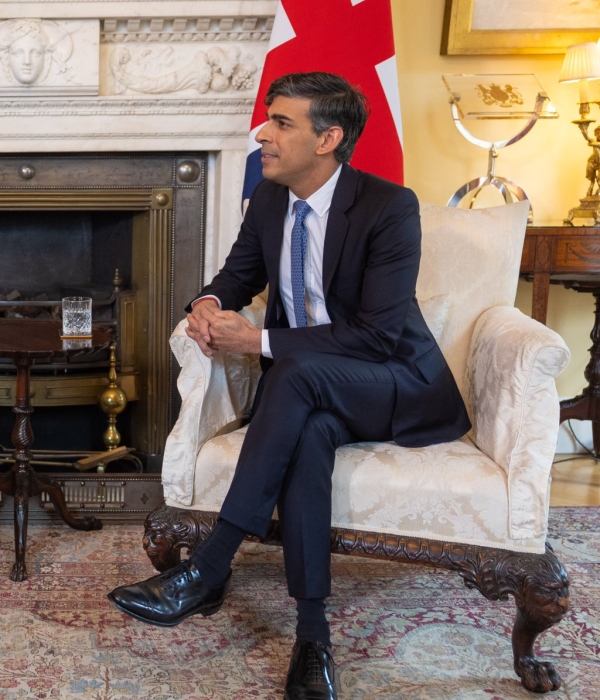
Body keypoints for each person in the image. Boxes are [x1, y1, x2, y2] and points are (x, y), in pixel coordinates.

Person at [107, 72, 470, 700]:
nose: (263, 134)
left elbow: (379, 336)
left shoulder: (389, 207)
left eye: (281, 123)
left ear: (328, 138)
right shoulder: (271, 199)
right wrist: (208, 304)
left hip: (393, 384)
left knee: (293, 371)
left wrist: (258, 342)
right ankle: (313, 638)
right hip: (310, 394)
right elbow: (235, 275)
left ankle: (209, 567)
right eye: (267, 120)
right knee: (308, 436)